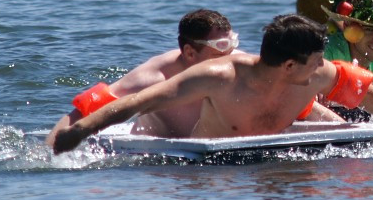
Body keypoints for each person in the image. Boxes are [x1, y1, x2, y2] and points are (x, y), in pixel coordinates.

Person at [50, 14, 373, 154]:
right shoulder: (216, 77)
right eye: (315, 61)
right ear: (289, 65)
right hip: (210, 163)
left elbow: (366, 94)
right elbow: (137, 103)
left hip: (274, 149)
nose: (323, 67)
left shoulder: (317, 73)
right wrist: (79, 131)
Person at [45, 9, 244, 144]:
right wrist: (51, 153)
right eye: (221, 47)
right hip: (159, 157)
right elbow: (85, 110)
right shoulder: (154, 77)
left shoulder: (240, 64)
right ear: (190, 52)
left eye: (232, 42)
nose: (230, 53)